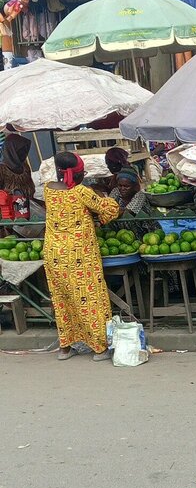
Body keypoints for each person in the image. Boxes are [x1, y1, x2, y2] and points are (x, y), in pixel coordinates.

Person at [43, 152, 120, 361]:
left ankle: (65, 348)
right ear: (78, 174)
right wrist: (102, 212)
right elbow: (110, 209)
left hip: (53, 254)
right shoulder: (81, 192)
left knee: (62, 300)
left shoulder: (48, 190)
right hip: (80, 254)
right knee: (89, 299)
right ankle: (99, 348)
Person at [109, 165, 157, 239]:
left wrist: (105, 212)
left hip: (146, 235)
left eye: (126, 186)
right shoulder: (116, 191)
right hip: (124, 236)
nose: (122, 188)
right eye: (120, 185)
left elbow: (127, 212)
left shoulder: (140, 196)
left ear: (134, 186)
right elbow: (108, 204)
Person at [0, 133, 35, 227]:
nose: (24, 154)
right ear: (12, 151)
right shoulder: (1, 170)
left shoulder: (25, 167)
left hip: (30, 209)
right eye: (21, 151)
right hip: (9, 217)